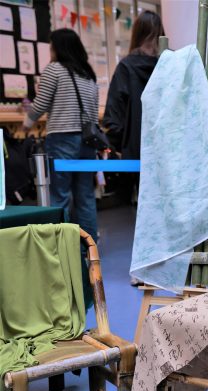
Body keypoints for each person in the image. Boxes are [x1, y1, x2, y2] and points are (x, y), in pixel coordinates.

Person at [23, 28, 99, 244]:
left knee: (60, 194)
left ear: (58, 48)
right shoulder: (89, 75)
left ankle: (62, 246)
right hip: (88, 141)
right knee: (85, 196)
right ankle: (89, 247)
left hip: (62, 139)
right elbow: (93, 111)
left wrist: (27, 123)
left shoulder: (54, 69)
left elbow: (41, 103)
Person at [102, 10, 163, 203]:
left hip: (138, 150)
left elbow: (114, 114)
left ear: (136, 33)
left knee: (145, 204)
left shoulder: (126, 67)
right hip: (168, 146)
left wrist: (122, 144)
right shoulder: (169, 64)